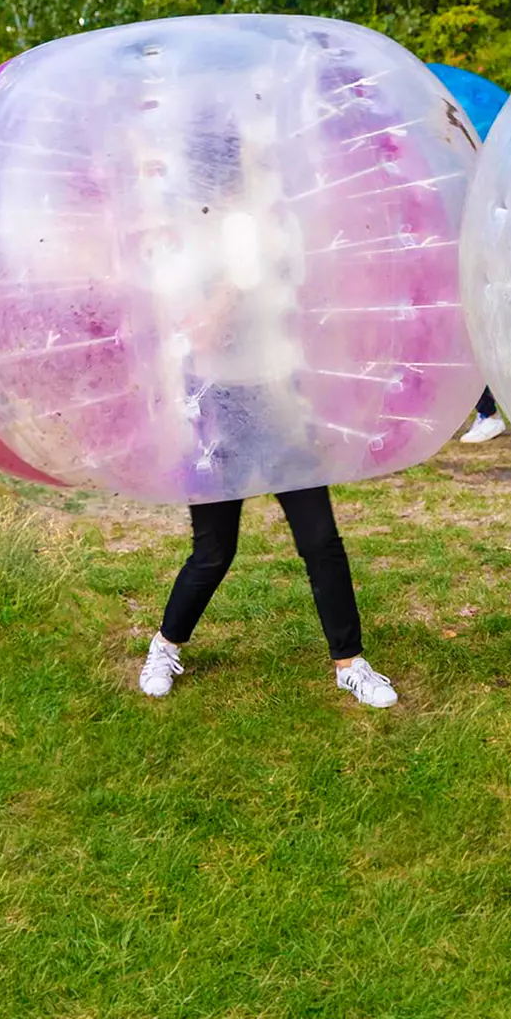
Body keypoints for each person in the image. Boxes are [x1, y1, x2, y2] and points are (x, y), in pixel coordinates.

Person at [136, 112, 397, 707]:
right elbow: (170, 310)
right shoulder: (181, 230)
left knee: (320, 539)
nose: (219, 180)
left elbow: (252, 283)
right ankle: (164, 646)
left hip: (271, 396)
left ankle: (350, 663)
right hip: (212, 400)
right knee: (213, 549)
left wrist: (218, 306)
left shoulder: (248, 224)